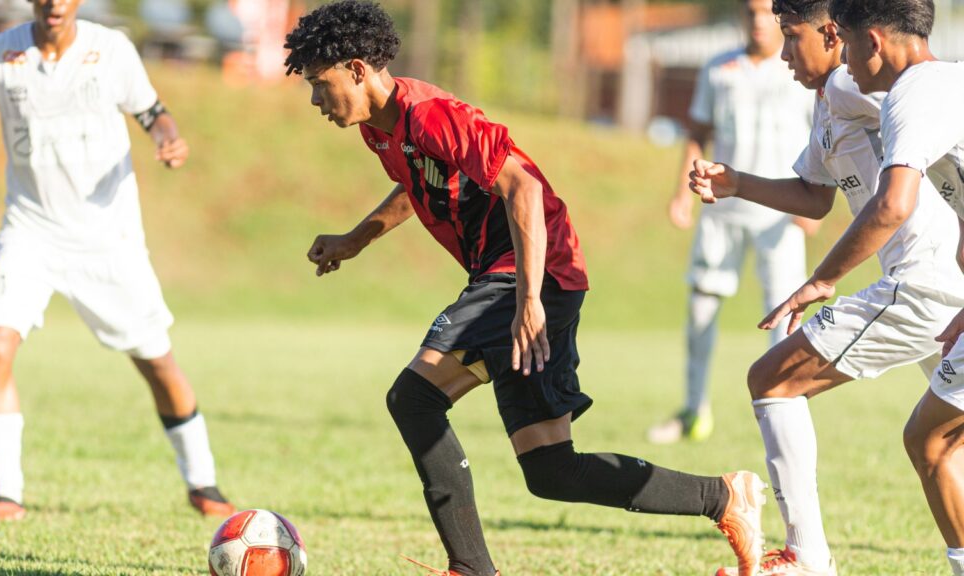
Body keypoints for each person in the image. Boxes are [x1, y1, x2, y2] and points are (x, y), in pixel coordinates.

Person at [287, 2, 768, 575]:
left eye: (321, 84)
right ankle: (725, 497)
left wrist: (529, 300)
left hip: (528, 271)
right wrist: (355, 240)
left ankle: (470, 568)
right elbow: (415, 186)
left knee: (413, 398)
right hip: (519, 278)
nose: (316, 100)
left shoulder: (433, 113)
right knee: (551, 471)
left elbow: (523, 189)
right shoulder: (380, 129)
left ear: (359, 69)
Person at [689, 0, 964, 572]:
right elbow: (815, 195)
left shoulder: (863, 85)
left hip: (923, 280)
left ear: (839, 35)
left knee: (773, 380)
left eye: (792, 37)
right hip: (938, 280)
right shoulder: (829, 103)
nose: (784, 53)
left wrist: (820, 281)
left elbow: (896, 191)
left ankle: (806, 560)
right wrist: (737, 183)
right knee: (939, 446)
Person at [0, 0, 235, 520]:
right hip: (29, 229)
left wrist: (169, 140)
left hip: (108, 237)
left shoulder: (111, 49)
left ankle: (203, 482)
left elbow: (154, 114)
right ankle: (5, 494)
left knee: (156, 360)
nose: (54, 3)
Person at [826, 0, 964, 573]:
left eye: (846, 42)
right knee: (934, 440)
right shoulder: (949, 80)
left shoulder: (910, 95)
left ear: (874, 42)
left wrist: (821, 280)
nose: (845, 59)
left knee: (929, 441)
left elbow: (892, 204)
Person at [650, 0, 817, 444]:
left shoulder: (799, 66)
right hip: (721, 211)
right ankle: (693, 410)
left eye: (768, 13)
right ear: (741, 17)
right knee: (701, 307)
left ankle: (783, 407)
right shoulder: (718, 67)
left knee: (786, 313)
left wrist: (813, 201)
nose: (759, 21)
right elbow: (697, 133)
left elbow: (823, 137)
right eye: (751, 12)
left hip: (781, 213)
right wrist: (681, 194)